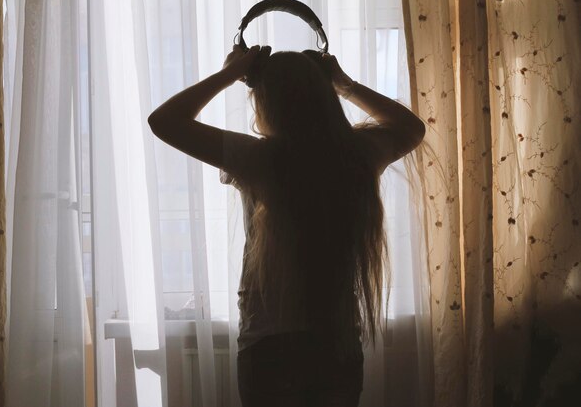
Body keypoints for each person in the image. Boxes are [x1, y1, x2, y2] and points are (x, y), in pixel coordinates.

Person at [148, 44, 425, 407]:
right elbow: (410, 127)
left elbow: (164, 121)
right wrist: (344, 84)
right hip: (336, 347)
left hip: (270, 347)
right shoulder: (358, 154)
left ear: (266, 102)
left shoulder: (258, 159)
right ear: (324, 95)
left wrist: (230, 74)